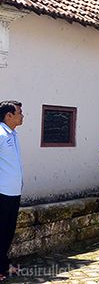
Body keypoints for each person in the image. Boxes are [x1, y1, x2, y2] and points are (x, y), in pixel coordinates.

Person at [0, 101, 23, 282]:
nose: (22, 116)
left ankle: (3, 264)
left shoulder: (12, 134)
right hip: (2, 192)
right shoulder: (0, 133)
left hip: (13, 192)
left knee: (7, 231)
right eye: (19, 112)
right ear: (9, 115)